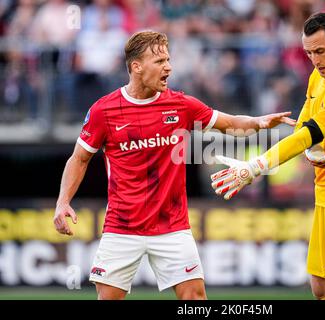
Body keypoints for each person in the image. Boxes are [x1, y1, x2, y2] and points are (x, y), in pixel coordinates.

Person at [53, 30, 295, 300]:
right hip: (122, 227)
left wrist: (259, 122)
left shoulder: (180, 105)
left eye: (168, 60)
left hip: (172, 227)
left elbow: (228, 122)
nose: (168, 67)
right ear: (136, 66)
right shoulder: (104, 111)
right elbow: (79, 158)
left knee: (194, 299)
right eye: (159, 62)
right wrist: (63, 202)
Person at [211, 12, 325, 300]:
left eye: (320, 51)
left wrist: (257, 166)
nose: (314, 60)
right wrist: (313, 148)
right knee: (321, 287)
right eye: (308, 53)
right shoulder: (320, 74)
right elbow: (307, 117)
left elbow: (307, 133)